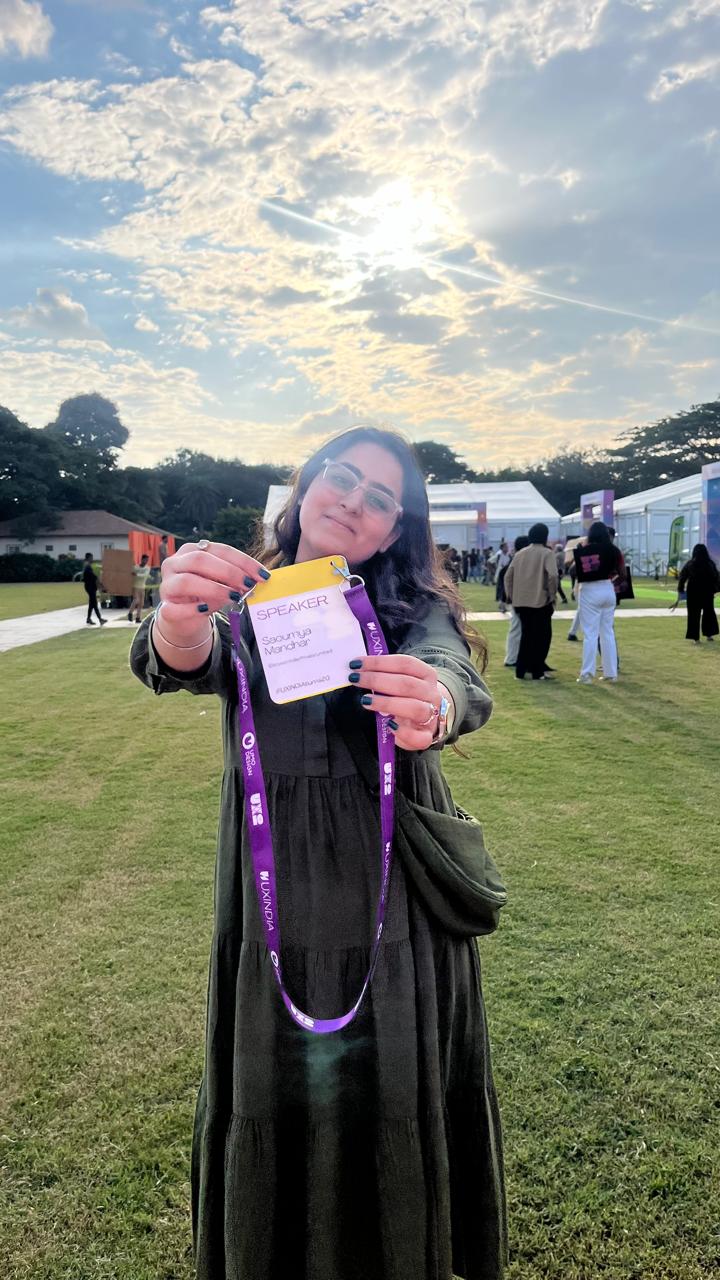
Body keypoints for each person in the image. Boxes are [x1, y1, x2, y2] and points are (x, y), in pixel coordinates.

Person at [129, 426, 507, 1280]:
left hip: (394, 901)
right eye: (342, 477)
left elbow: (452, 673)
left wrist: (433, 702)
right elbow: (184, 659)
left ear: (394, 530)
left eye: (382, 499)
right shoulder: (245, 595)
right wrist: (179, 617)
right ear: (306, 488)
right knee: (274, 1089)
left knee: (395, 1092)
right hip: (277, 897)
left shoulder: (412, 607)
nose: (353, 501)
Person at [503, 523, 558, 680]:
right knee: (541, 638)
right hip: (540, 601)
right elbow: (553, 575)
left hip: (521, 602)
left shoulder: (520, 553)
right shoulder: (547, 553)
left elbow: (508, 576)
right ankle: (537, 672)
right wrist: (552, 595)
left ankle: (520, 671)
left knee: (526, 636)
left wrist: (511, 595)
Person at [573, 521, 621, 683]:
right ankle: (611, 673)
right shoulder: (613, 550)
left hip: (589, 589)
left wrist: (580, 551)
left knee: (590, 634)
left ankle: (587, 674)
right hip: (608, 588)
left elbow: (575, 571)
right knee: (607, 632)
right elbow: (621, 572)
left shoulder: (584, 550)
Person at [678, 544, 720, 643]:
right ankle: (709, 635)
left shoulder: (690, 564)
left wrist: (681, 589)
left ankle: (695, 638)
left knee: (693, 615)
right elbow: (716, 577)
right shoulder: (710, 563)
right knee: (709, 613)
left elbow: (682, 577)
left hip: (693, 592)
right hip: (707, 592)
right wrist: (716, 589)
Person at [503, 535, 529, 666]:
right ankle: (511, 658)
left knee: (517, 629)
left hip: (516, 599)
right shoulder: (519, 559)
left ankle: (513, 657)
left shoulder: (516, 558)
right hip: (518, 599)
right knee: (516, 629)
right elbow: (507, 578)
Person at [82, 552, 107, 626]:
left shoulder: (87, 566)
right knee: (94, 604)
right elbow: (94, 577)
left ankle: (88, 619)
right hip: (90, 587)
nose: (92, 559)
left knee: (91, 604)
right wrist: (101, 585)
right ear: (89, 558)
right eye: (91, 558)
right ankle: (100, 619)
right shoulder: (87, 566)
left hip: (90, 586)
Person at [128, 554, 150, 623]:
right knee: (136, 600)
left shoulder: (147, 568)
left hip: (142, 587)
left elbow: (145, 575)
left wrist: (136, 574)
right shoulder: (135, 567)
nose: (146, 561)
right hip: (135, 586)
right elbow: (131, 573)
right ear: (142, 559)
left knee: (141, 603)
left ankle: (138, 617)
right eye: (145, 560)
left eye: (147, 560)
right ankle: (130, 613)